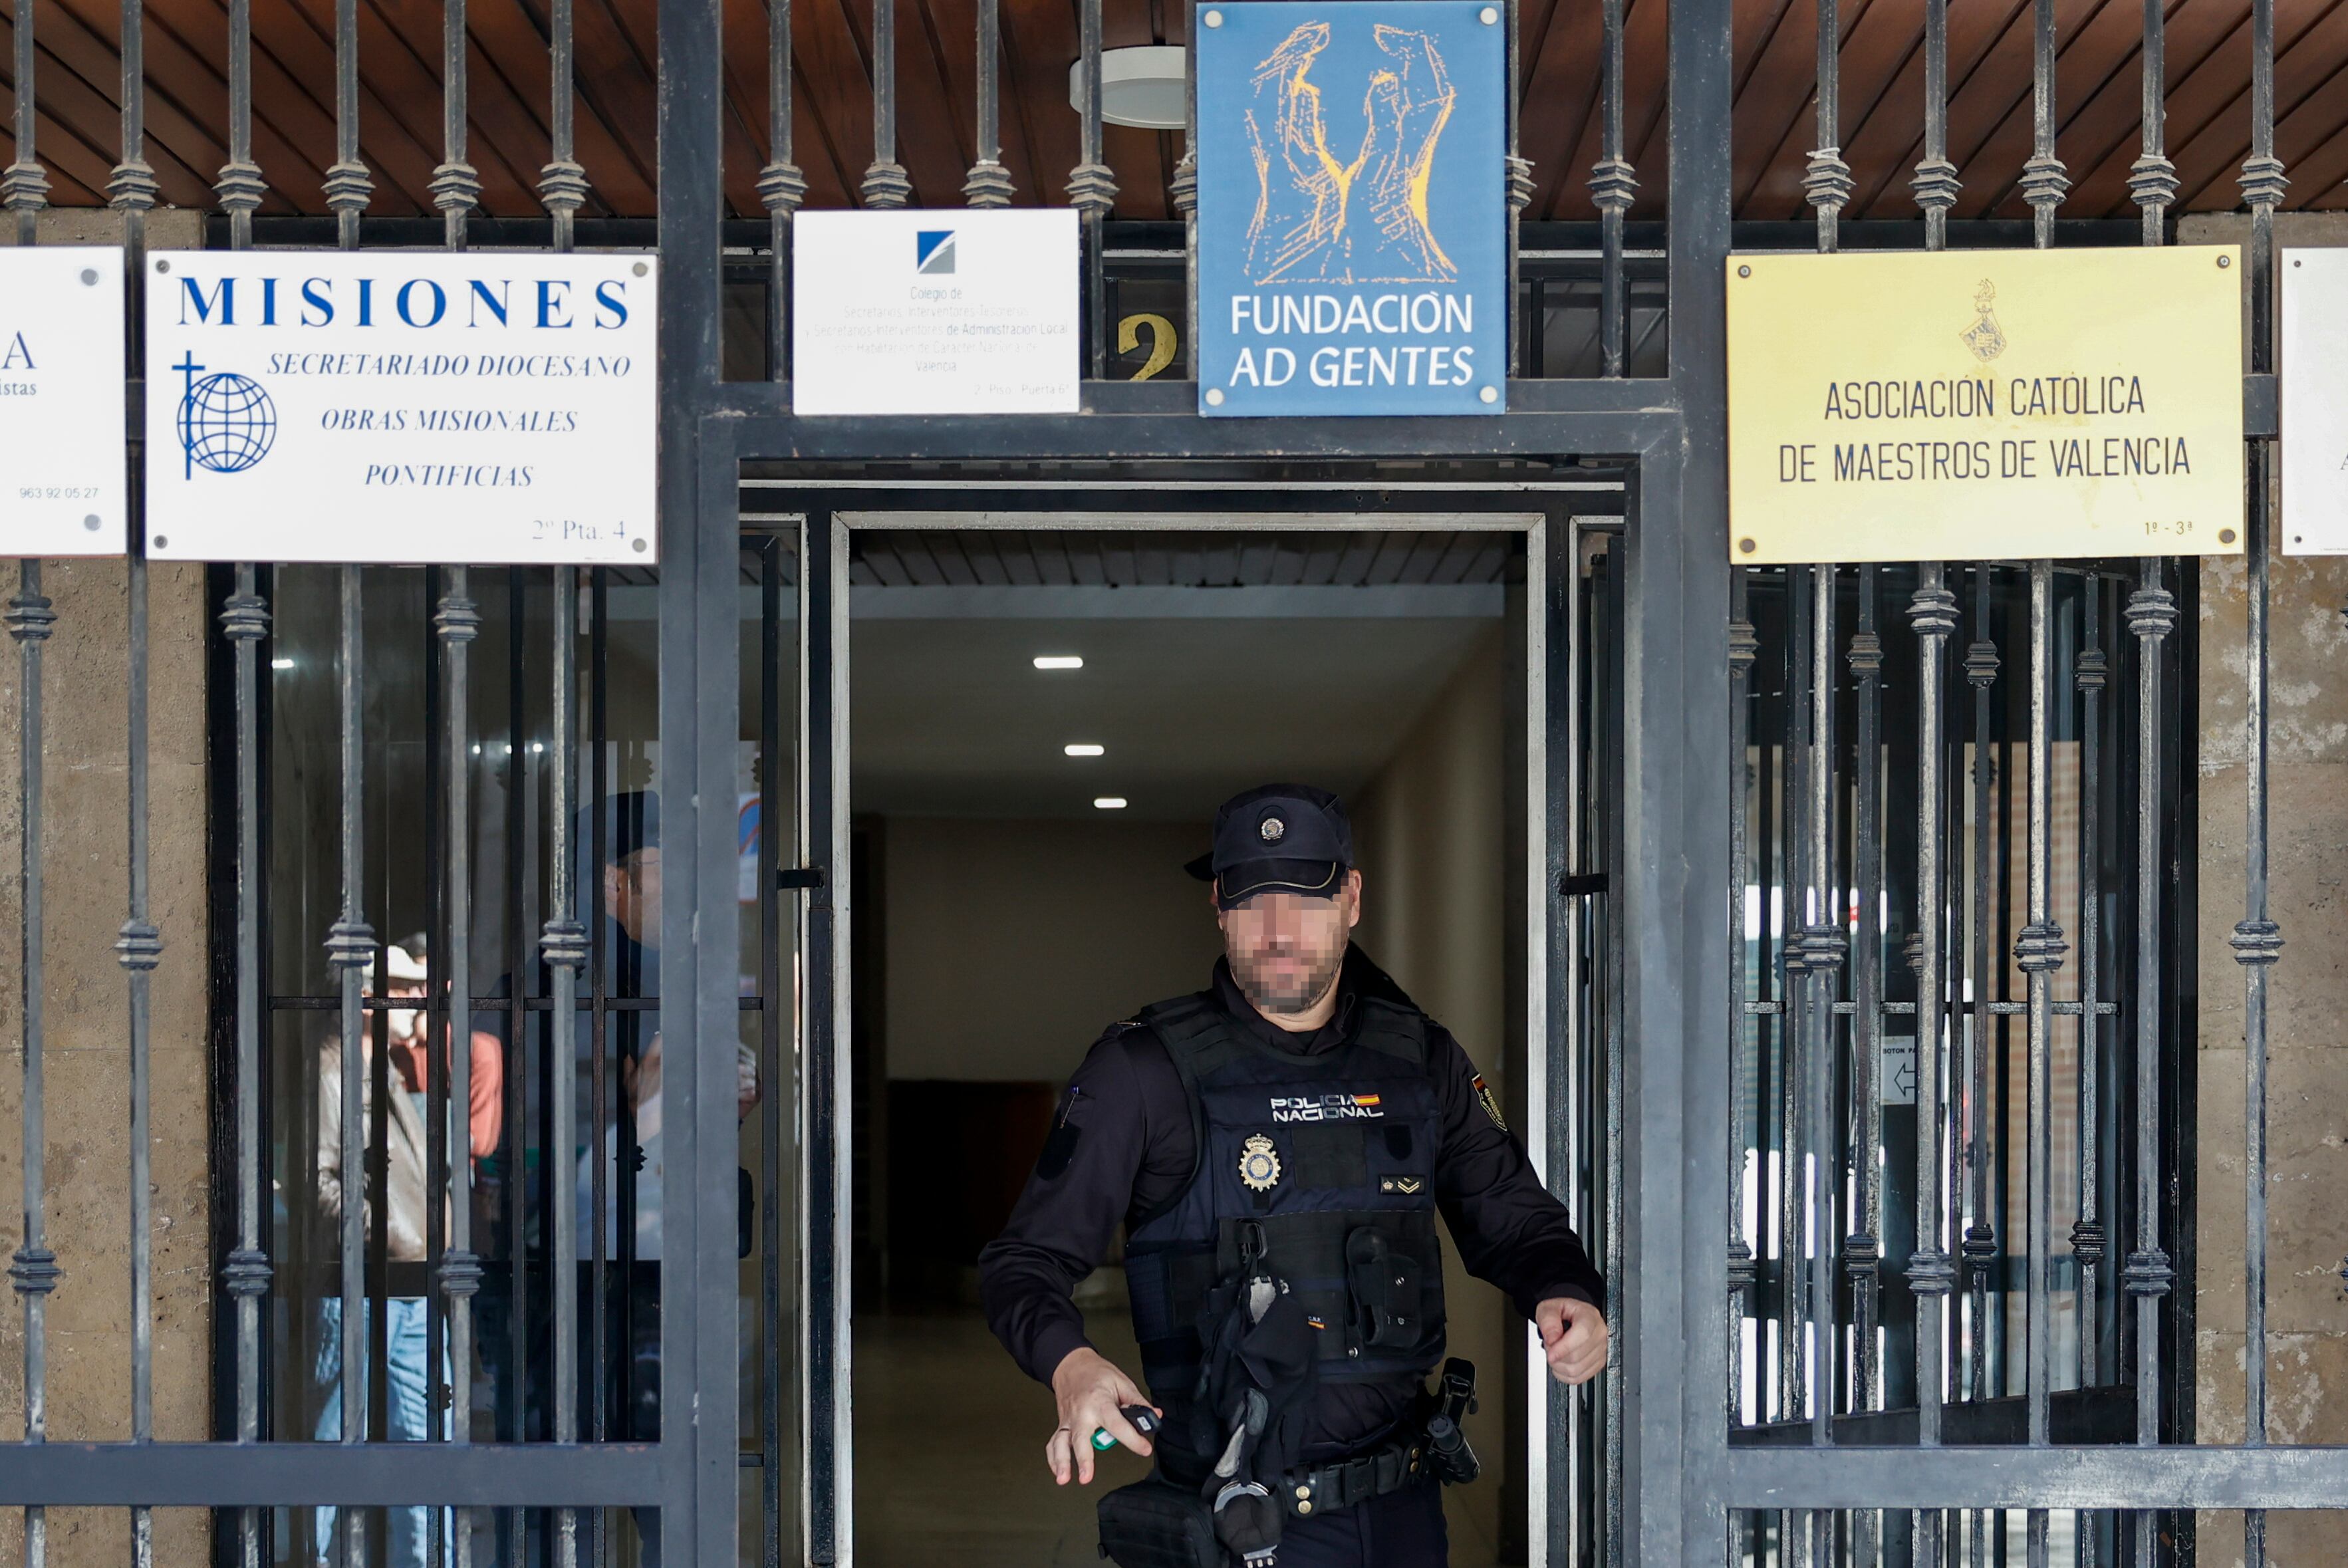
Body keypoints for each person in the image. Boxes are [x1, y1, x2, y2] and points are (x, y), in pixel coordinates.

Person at [978, 784, 1607, 1568]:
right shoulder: (1142, 1073)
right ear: (1219, 904)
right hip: (1231, 1521)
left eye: (1305, 898)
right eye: (1253, 899)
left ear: (1351, 899)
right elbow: (1022, 1264)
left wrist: (1566, 1289)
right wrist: (1071, 1366)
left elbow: (1515, 1217)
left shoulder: (1420, 1059)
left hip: (1402, 1515)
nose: (1278, 933)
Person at [313, 938, 505, 1568]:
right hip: (369, 1285)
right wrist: (391, 1237)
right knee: (326, 1452)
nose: (415, 998)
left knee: (428, 1449)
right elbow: (320, 1181)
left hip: (417, 1285)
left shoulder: (390, 1065)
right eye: (399, 990)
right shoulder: (333, 1067)